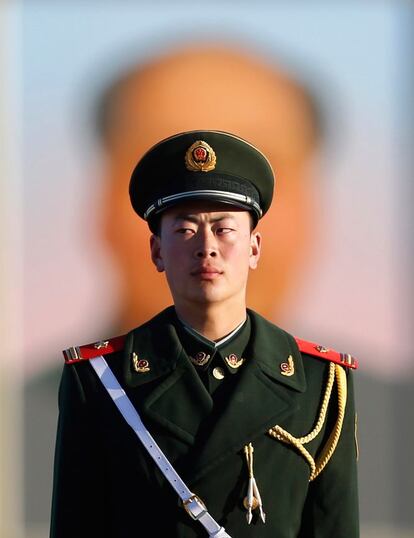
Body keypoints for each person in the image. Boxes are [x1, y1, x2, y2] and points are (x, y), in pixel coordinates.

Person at [50, 129, 359, 537]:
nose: (206, 247)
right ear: (157, 251)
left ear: (253, 248)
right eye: (184, 230)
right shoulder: (101, 380)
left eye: (224, 229)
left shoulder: (320, 382)